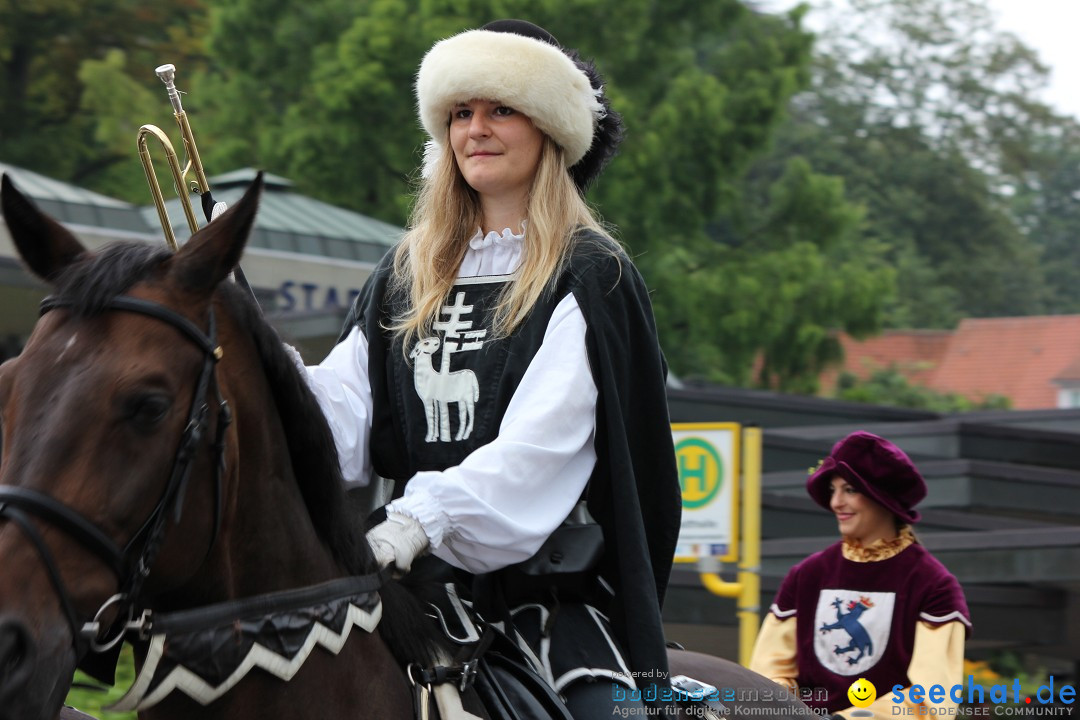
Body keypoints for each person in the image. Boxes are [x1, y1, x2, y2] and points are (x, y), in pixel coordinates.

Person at [295, 19, 682, 718]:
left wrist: (420, 519)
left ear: (551, 129)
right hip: (404, 587)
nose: (476, 129)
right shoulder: (403, 272)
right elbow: (340, 420)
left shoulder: (591, 275)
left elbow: (540, 448)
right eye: (461, 113)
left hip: (544, 602)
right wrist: (252, 361)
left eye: (502, 108)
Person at [748, 431, 971, 719]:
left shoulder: (934, 585)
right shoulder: (806, 575)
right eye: (833, 490)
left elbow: (932, 699)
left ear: (883, 498)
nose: (836, 503)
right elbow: (768, 675)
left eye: (850, 490)